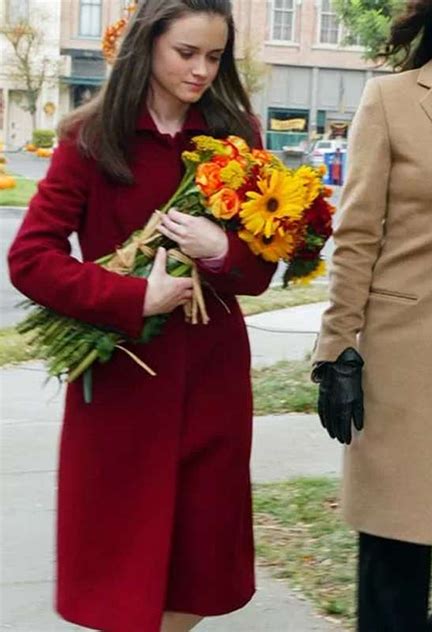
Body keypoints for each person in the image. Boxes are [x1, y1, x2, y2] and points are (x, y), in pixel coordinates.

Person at [8, 2, 276, 631]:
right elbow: (31, 258)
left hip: (212, 378)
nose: (202, 70)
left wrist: (222, 252)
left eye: (214, 56)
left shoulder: (237, 137)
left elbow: (259, 273)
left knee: (199, 561)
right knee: (119, 567)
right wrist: (135, 300)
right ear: (147, 44)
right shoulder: (92, 137)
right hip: (123, 381)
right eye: (187, 53)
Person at [311, 0, 432, 630]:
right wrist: (334, 352)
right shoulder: (392, 101)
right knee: (394, 552)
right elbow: (356, 237)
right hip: (404, 355)